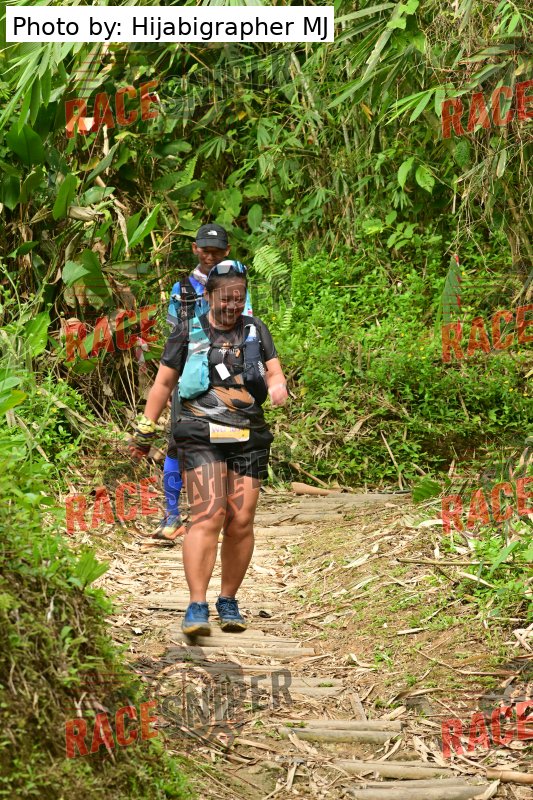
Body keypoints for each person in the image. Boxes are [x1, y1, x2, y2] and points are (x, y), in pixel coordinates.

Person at [129, 261, 288, 636]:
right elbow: (163, 383)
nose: (232, 305)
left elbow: (274, 370)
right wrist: (146, 427)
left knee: (241, 519)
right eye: (225, 298)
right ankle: (196, 605)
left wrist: (277, 385)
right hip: (200, 433)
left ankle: (228, 600)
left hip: (248, 436)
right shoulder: (188, 331)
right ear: (208, 296)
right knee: (208, 514)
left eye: (239, 298)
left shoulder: (255, 330)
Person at [153, 224, 253, 545]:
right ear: (195, 249)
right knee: (177, 444)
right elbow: (174, 337)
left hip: (227, 381)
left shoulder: (236, 283)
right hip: (190, 379)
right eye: (205, 250)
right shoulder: (181, 289)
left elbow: (246, 326)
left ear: (226, 251)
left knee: (230, 442)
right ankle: (171, 515)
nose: (210, 256)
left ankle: (220, 513)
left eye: (216, 251)